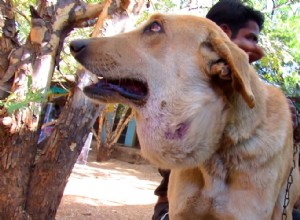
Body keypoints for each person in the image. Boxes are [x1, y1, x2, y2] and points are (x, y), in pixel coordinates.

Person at [151, 0, 300, 220]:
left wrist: (288, 117)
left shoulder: (267, 104)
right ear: (222, 33)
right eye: (250, 38)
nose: (256, 49)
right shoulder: (179, 92)